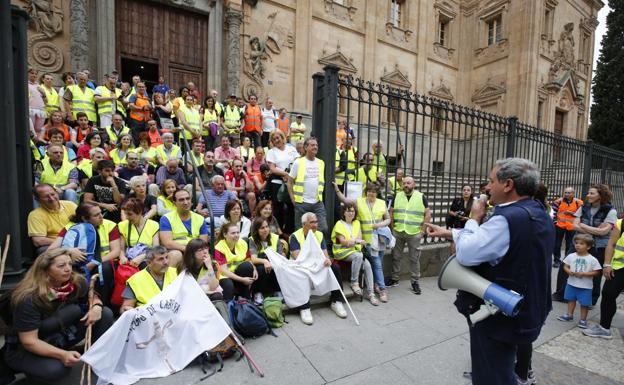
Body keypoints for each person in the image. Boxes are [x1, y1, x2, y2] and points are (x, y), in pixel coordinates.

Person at [425, 158, 554, 385]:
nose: (486, 187)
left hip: (498, 317)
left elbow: (465, 253)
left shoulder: (506, 218)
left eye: (491, 181)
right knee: (502, 373)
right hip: (527, 309)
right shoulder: (537, 212)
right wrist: (450, 233)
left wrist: (474, 218)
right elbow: (499, 245)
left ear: (508, 185)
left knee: (491, 376)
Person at [3, 248, 113, 383]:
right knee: (58, 369)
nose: (68, 269)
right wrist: (63, 355)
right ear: (45, 270)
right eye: (61, 266)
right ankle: (30, 370)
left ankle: (94, 359)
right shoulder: (28, 298)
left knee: (105, 314)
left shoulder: (75, 282)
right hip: (27, 348)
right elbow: (29, 341)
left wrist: (97, 306)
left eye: (69, 264)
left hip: (60, 336)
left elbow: (91, 296)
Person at [553, 184, 616, 305]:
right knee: (565, 265)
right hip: (580, 242)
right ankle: (562, 294)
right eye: (588, 193)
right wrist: (594, 229)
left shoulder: (610, 210)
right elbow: (575, 225)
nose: (588, 195)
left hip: (599, 245)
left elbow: (604, 232)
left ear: (601, 195)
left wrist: (583, 226)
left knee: (595, 272)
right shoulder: (584, 206)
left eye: (592, 193)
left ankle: (591, 300)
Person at [49, 202, 121, 305]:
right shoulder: (71, 226)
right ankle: (56, 301)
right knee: (65, 269)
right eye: (96, 215)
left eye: (101, 213)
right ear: (84, 218)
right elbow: (50, 250)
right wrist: (69, 251)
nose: (101, 217)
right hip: (75, 263)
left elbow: (116, 252)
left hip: (101, 262)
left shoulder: (109, 225)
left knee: (105, 268)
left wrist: (94, 262)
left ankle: (100, 304)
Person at [335, 182, 391, 302]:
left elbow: (388, 219)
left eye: (374, 191)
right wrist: (337, 190)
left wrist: (379, 224)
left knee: (378, 264)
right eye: (370, 191)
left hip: (380, 239)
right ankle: (382, 289)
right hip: (367, 240)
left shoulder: (381, 203)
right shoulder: (359, 201)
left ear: (377, 192)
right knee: (377, 265)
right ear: (366, 192)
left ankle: (376, 285)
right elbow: (345, 201)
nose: (372, 193)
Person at [290, 212, 347, 325]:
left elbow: (325, 255)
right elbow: (298, 257)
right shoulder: (295, 236)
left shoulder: (319, 235)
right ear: (304, 224)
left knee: (334, 267)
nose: (315, 225)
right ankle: (304, 307)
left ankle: (336, 301)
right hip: (300, 266)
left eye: (316, 222)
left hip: (316, 265)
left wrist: (327, 260)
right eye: (312, 222)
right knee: (302, 273)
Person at [583, 213, 624, 339]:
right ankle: (604, 328)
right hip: (619, 267)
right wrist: (607, 264)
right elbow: (611, 244)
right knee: (608, 293)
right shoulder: (620, 223)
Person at [388, 176, 431, 294]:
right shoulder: (397, 196)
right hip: (398, 231)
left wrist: (422, 231)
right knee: (396, 256)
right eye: (404, 183)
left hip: (414, 232)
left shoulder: (421, 196)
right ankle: (394, 278)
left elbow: (427, 215)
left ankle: (415, 281)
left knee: (414, 258)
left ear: (414, 184)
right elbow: (391, 213)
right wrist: (392, 229)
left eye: (408, 183)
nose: (406, 185)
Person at [331, 203, 378, 305]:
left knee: (368, 265)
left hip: (354, 251)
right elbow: (343, 241)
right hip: (341, 252)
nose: (351, 213)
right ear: (344, 213)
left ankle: (371, 294)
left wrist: (356, 241)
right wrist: (354, 241)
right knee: (359, 256)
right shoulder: (339, 224)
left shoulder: (357, 223)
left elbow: (360, 239)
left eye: (352, 211)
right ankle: (354, 283)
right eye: (348, 211)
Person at [556, 234, 601, 329]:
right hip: (571, 283)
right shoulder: (571, 256)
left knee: (584, 304)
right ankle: (569, 315)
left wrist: (584, 274)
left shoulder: (592, 259)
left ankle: (583, 320)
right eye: (576, 243)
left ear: (588, 247)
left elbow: (597, 272)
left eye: (581, 244)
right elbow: (565, 266)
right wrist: (569, 271)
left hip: (585, 287)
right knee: (571, 300)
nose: (578, 245)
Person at [287, 137, 328, 234]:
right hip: (302, 203)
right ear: (306, 147)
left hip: (317, 202)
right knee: (300, 231)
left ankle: (315, 247)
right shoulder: (298, 162)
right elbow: (289, 181)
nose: (315, 147)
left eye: (316, 145)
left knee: (322, 228)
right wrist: (293, 198)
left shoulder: (321, 163)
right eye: (312, 145)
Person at [120, 246, 179, 313]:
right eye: (160, 259)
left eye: (167, 257)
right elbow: (124, 309)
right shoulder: (135, 280)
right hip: (149, 319)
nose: (166, 262)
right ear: (149, 263)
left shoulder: (177, 273)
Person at [159, 189, 208, 264]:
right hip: (177, 250)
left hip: (196, 250)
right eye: (181, 200)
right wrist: (187, 249)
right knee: (175, 255)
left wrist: (195, 251)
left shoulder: (200, 218)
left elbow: (203, 242)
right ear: (174, 203)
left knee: (206, 256)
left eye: (188, 199)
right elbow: (167, 243)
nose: (185, 202)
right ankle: (170, 276)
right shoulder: (166, 218)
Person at [28, 184, 77, 256]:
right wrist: (66, 243)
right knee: (44, 250)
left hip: (77, 240)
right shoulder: (35, 215)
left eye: (53, 194)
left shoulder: (71, 205)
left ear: (57, 192)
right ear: (38, 200)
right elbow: (38, 241)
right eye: (46, 197)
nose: (51, 198)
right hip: (57, 245)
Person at [266, 130, 299, 233]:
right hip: (277, 183)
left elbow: (297, 162)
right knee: (278, 209)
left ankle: (289, 232)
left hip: (291, 183)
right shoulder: (271, 152)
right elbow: (272, 168)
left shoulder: (291, 149)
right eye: (274, 139)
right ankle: (278, 232)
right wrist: (285, 174)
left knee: (291, 208)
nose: (277, 140)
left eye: (278, 137)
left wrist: (290, 176)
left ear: (282, 137)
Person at [118, 198, 161, 268]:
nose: (127, 217)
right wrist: (122, 257)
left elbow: (155, 248)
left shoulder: (154, 225)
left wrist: (142, 257)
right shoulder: (122, 225)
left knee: (145, 265)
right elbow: (121, 249)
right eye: (126, 214)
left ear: (140, 212)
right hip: (129, 259)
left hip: (148, 257)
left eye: (130, 214)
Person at [248, 217, 282, 304]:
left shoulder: (275, 237)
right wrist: (265, 261)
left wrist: (270, 262)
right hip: (261, 265)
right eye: (262, 228)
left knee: (279, 266)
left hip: (274, 262)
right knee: (260, 268)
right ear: (256, 230)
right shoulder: (252, 240)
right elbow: (254, 259)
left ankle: (277, 291)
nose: (265, 229)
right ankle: (258, 293)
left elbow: (280, 255)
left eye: (267, 227)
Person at [552, 187, 583, 268]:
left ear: (573, 194)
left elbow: (582, 214)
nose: (566, 194)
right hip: (559, 225)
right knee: (557, 244)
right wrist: (555, 222)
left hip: (572, 226)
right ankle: (556, 260)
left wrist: (571, 213)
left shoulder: (578, 202)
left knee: (569, 244)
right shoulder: (558, 201)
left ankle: (566, 261)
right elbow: (553, 213)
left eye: (569, 193)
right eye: (565, 192)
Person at [28, 68, 47, 136]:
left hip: (41, 110)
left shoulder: (39, 86)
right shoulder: (25, 84)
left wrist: (44, 94)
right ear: (27, 74)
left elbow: (46, 101)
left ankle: (37, 145)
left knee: (39, 129)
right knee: (30, 130)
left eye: (36, 74)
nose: (34, 75)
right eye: (32, 73)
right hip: (30, 109)